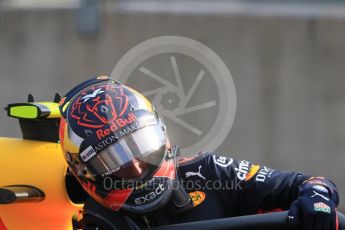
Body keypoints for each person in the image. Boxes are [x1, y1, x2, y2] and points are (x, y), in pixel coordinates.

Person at [59, 76, 339, 230]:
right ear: (85, 174)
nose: (134, 165)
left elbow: (307, 183)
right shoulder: (92, 224)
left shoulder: (208, 172)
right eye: (112, 161)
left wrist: (318, 198)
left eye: (140, 145)